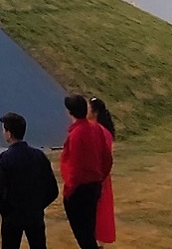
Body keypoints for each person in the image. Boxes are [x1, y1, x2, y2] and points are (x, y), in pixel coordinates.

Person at [0, 112, 57, 249]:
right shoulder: (39, 156)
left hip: (12, 217)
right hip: (34, 215)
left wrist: (6, 211)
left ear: (9, 134)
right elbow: (52, 189)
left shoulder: (5, 159)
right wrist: (38, 206)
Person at [60, 94, 113, 249]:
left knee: (84, 236)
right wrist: (100, 178)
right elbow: (106, 158)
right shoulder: (95, 129)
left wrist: (69, 190)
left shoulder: (76, 134)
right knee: (89, 231)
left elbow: (74, 166)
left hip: (79, 190)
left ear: (70, 112)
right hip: (94, 185)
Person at [88, 98, 116, 248]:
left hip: (98, 178)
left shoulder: (100, 132)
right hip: (97, 177)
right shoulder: (99, 130)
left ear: (95, 112)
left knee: (98, 214)